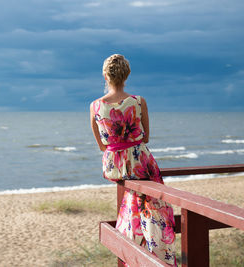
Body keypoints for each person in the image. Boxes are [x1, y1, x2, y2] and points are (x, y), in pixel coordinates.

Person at [90, 54, 177, 266]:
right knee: (154, 209)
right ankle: (156, 253)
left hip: (114, 165)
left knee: (133, 205)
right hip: (138, 162)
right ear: (127, 75)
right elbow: (145, 137)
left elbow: (102, 145)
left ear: (105, 76)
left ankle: (136, 253)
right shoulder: (138, 101)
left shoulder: (95, 106)